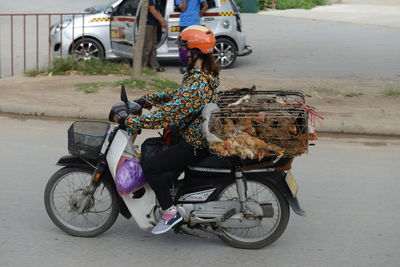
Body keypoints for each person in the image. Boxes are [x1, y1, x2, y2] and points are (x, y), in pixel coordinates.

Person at [110, 25, 220, 235]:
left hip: (193, 143)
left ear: (194, 51)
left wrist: (134, 123)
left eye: (183, 47)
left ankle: (170, 212)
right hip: (192, 136)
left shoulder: (198, 83)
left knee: (151, 166)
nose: (180, 51)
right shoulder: (201, 74)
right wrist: (146, 100)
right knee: (152, 146)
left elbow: (169, 114)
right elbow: (177, 96)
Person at [176, 0, 208, 74]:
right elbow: (183, 8)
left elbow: (205, 5)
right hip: (184, 23)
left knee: (194, 45)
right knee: (183, 45)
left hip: (194, 23)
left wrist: (199, 14)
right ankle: (186, 65)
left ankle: (194, 66)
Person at [143, 0, 168, 72]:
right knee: (148, 46)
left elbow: (157, 11)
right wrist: (162, 21)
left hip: (153, 23)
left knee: (153, 46)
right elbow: (152, 10)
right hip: (148, 24)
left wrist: (163, 21)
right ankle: (143, 66)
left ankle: (154, 66)